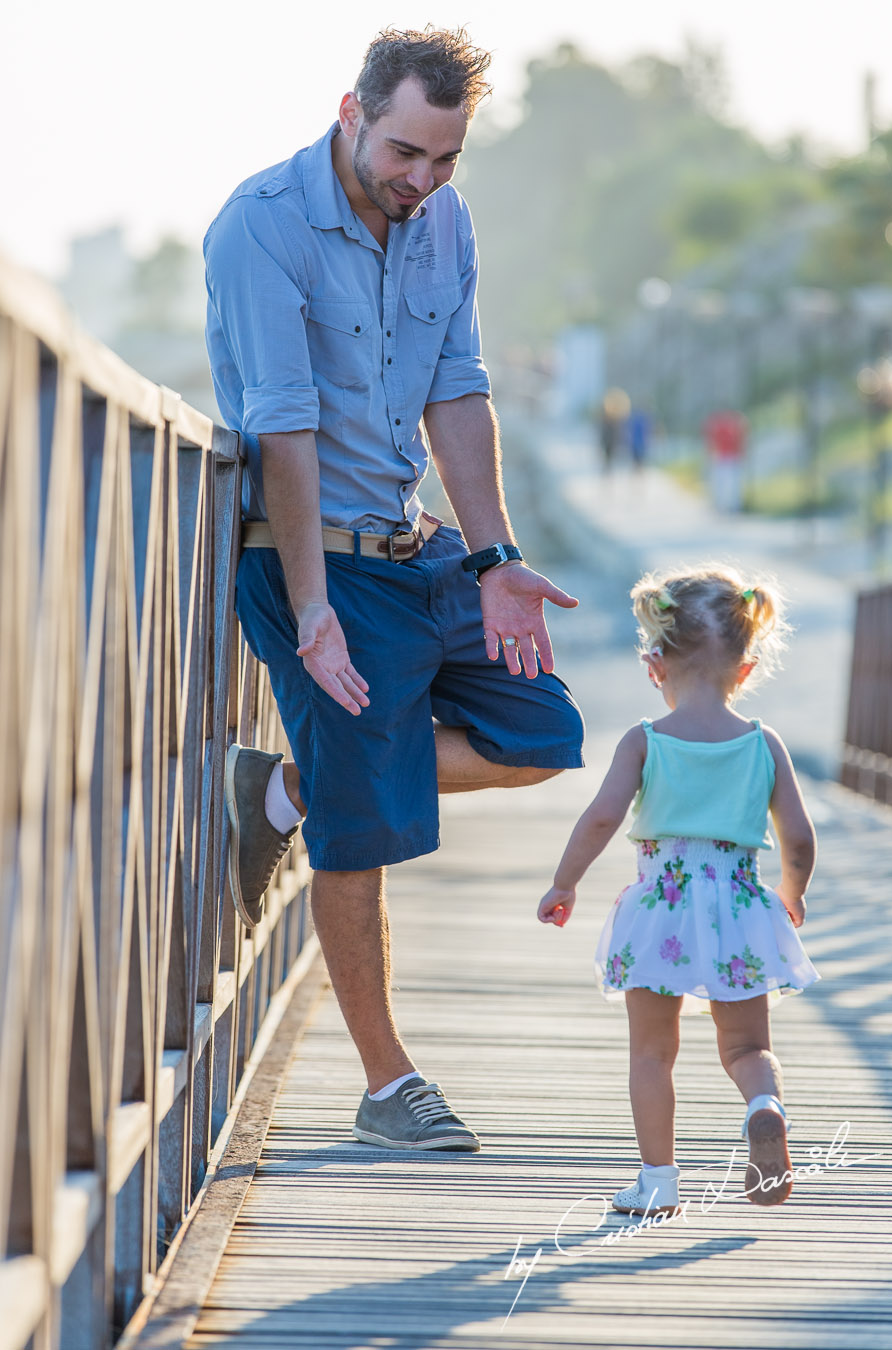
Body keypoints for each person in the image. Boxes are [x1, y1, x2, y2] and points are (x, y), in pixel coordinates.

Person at [203, 27, 585, 1154]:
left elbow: (458, 389)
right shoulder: (260, 225)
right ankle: (385, 1089)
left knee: (540, 731)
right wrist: (314, 608)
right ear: (351, 112)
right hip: (307, 555)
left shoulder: (442, 222)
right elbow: (283, 419)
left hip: (415, 549)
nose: (422, 179)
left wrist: (494, 556)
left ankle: (283, 789)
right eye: (407, 152)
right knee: (362, 835)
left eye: (446, 159)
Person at [538, 566, 818, 1215]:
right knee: (749, 1046)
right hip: (742, 906)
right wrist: (792, 893)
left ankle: (658, 1182)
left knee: (652, 1052)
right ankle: (764, 1106)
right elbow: (799, 836)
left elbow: (603, 817)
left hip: (661, 910)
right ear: (745, 670)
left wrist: (564, 881)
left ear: (653, 664)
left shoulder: (644, 740)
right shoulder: (762, 743)